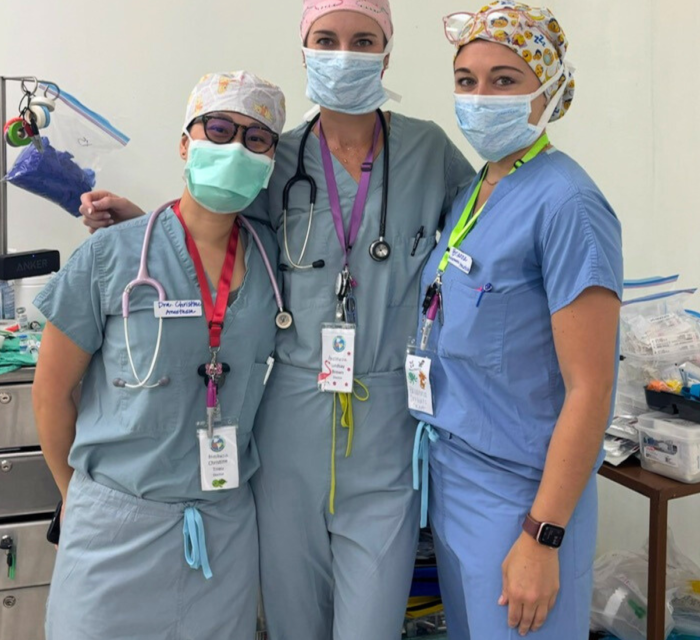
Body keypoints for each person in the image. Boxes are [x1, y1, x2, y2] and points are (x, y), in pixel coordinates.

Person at [79, 4, 475, 639]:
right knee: (293, 622)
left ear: (386, 55)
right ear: (305, 50)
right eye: (327, 39)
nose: (344, 54)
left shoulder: (429, 151)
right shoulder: (275, 156)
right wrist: (141, 224)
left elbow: (478, 235)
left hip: (385, 420)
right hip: (289, 415)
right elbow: (214, 225)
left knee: (372, 623)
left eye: (363, 40)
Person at [31, 71, 286, 640]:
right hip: (114, 529)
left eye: (256, 138)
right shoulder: (112, 255)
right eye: (217, 129)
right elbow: (50, 392)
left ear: (271, 159)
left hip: (223, 530)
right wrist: (75, 496)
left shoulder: (276, 259)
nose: (235, 149)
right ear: (184, 143)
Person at [410, 3, 624, 639]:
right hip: (454, 478)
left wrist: (542, 535)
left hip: (523, 499)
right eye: (467, 80)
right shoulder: (475, 191)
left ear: (549, 89)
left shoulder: (569, 204)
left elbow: (591, 389)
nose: (481, 96)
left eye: (504, 80)